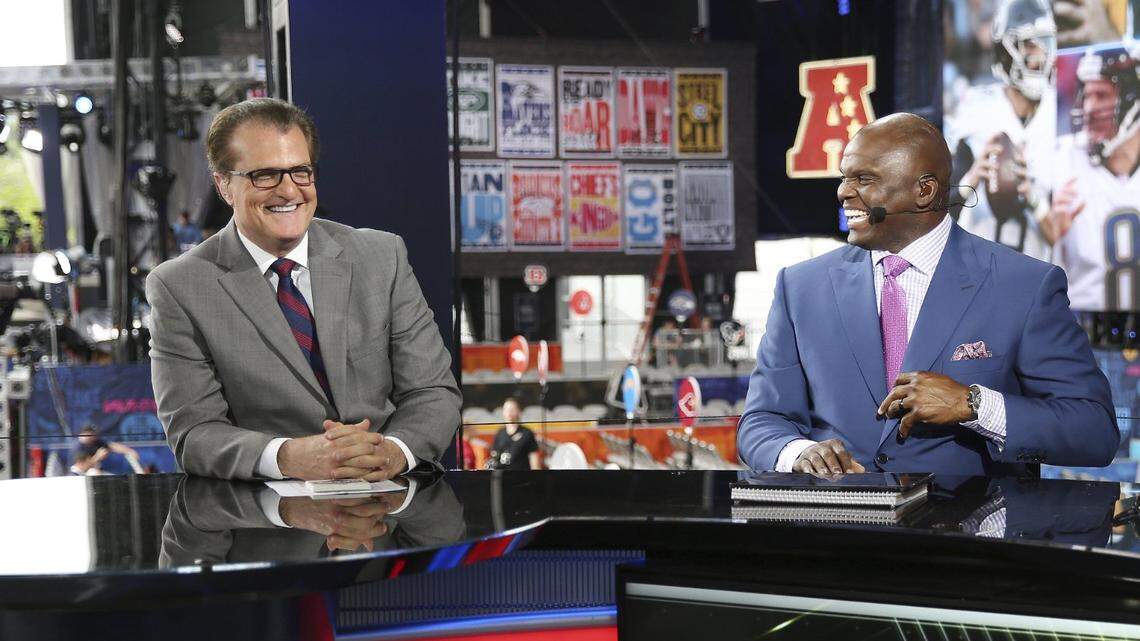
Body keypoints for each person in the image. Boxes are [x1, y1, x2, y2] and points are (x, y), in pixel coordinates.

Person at [737, 112, 1117, 476]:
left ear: (924, 191)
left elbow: (1094, 430)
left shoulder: (1025, 286)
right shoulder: (800, 287)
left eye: (864, 179)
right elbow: (761, 421)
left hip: (970, 520)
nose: (843, 192)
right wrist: (796, 451)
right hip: (842, 519)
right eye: (844, 178)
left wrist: (974, 405)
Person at [147, 98, 461, 481]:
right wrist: (288, 457)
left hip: (389, 497)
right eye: (265, 175)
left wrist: (392, 452)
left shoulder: (381, 256)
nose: (289, 190)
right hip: (264, 510)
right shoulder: (179, 287)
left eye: (300, 172)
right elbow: (194, 434)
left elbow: (433, 392)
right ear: (224, 184)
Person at [945, 0, 1056, 261]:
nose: (1039, 54)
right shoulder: (976, 109)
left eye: (1044, 43)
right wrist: (970, 181)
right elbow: (939, 213)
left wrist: (1033, 198)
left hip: (1035, 269)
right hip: (977, 266)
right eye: (1029, 44)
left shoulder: (1058, 113)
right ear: (1006, 49)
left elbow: (1069, 235)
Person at [1043, 46, 1140, 311]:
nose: (1089, 108)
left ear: (1133, 100)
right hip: (1082, 325)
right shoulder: (1062, 158)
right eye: (1086, 95)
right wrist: (1049, 230)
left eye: (1102, 95)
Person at [487, 398, 540, 470]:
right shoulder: (499, 434)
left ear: (519, 412)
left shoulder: (527, 433)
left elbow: (534, 462)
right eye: (506, 410)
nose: (509, 412)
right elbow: (493, 458)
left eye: (512, 409)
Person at [73, 425, 140, 473]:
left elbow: (111, 446)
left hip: (94, 472)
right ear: (85, 433)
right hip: (78, 475)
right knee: (94, 472)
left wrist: (129, 451)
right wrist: (97, 457)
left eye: (94, 433)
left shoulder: (95, 442)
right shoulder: (78, 447)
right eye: (91, 433)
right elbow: (82, 468)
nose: (94, 435)